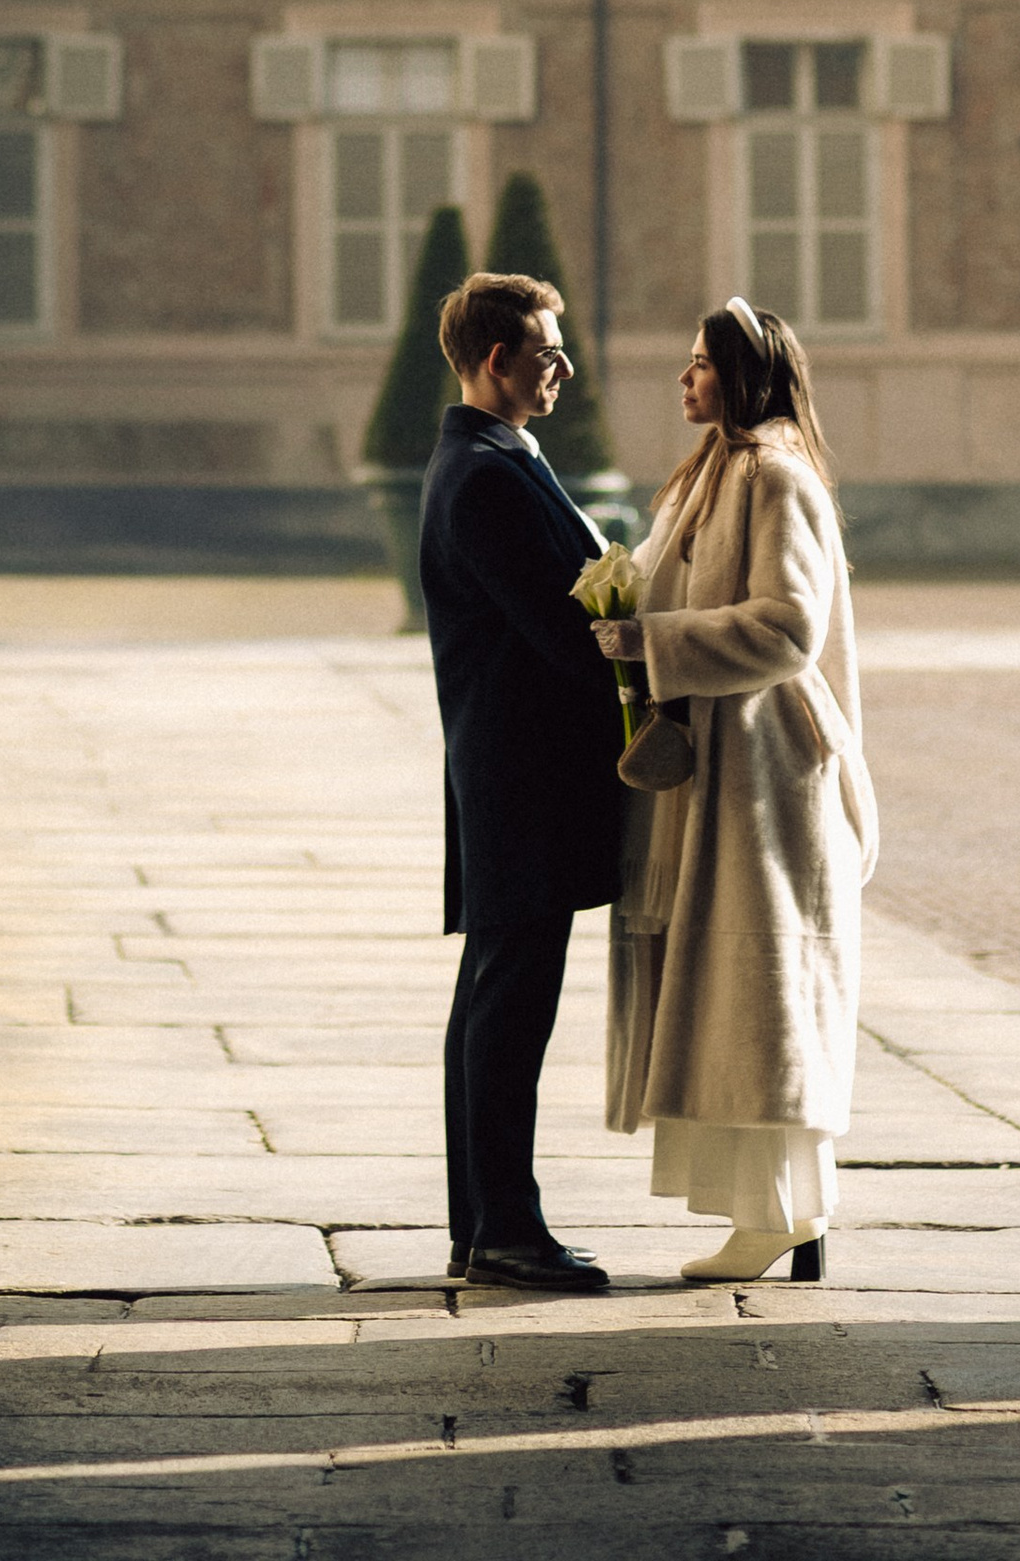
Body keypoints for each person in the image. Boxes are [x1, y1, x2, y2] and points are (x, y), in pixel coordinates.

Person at [590, 298, 878, 1284]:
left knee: (762, 997)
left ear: (745, 375)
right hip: (721, 774)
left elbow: (788, 628)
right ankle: (770, 1211)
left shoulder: (773, 474)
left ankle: (783, 1213)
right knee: (729, 996)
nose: (685, 378)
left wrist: (650, 640)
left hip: (766, 777)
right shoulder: (711, 472)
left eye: (701, 363)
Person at [419, 267, 624, 1293]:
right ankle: (503, 1227)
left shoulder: (489, 456)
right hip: (521, 778)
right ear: (497, 359)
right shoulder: (486, 475)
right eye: (548, 352)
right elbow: (562, 630)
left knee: (492, 1002)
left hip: (511, 772)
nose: (564, 370)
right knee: (507, 1010)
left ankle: (484, 1226)